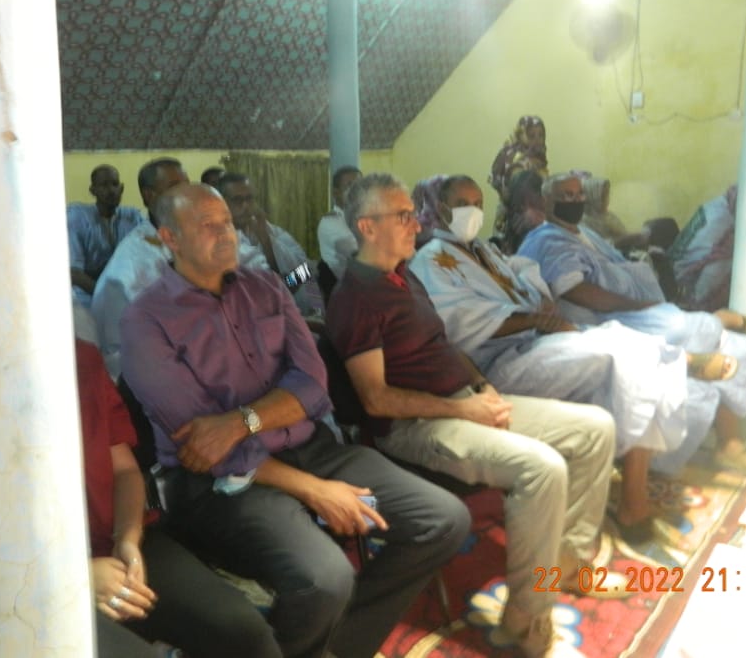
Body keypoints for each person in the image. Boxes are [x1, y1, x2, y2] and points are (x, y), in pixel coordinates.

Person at [120, 183, 470, 658]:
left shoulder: (266, 287)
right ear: (170, 238)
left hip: (311, 450)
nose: (226, 233)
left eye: (228, 222)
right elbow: (203, 446)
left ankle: (335, 647)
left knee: (443, 519)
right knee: (325, 579)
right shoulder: (145, 320)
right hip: (219, 486)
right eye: (207, 225)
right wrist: (313, 489)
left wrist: (241, 421)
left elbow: (312, 385)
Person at [326, 172, 626, 658]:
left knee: (595, 428)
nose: (416, 224)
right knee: (542, 468)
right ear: (367, 227)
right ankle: (525, 619)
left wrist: (483, 388)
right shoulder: (356, 298)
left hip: (463, 401)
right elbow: (377, 400)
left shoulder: (404, 276)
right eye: (402, 216)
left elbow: (444, 346)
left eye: (413, 214)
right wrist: (463, 408)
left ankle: (568, 565)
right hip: (416, 426)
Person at [0, 335, 280, 657]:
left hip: (103, 544)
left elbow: (124, 471)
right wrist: (72, 579)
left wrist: (127, 539)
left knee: (245, 634)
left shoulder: (76, 359)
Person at [409, 174, 727, 526]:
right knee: (622, 355)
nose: (472, 211)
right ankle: (636, 495)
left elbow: (524, 277)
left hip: (537, 343)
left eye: (478, 204)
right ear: (441, 209)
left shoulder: (484, 251)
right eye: (462, 204)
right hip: (498, 360)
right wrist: (533, 319)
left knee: (627, 346)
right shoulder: (431, 260)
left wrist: (540, 300)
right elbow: (457, 321)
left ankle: (633, 487)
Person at [520, 172, 746, 471]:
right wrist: (635, 305)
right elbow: (574, 290)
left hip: (632, 310)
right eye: (566, 196)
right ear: (546, 201)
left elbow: (613, 256)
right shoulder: (546, 239)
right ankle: (716, 324)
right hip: (607, 320)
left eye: (579, 194)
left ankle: (729, 445)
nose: (576, 200)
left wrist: (638, 251)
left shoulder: (583, 232)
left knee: (737, 347)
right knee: (688, 328)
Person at [91, 157, 189, 379]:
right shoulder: (134, 260)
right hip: (143, 370)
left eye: (188, 187)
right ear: (149, 196)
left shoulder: (186, 236)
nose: (187, 195)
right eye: (176, 188)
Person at [216, 171, 323, 316]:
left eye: (249, 198)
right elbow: (272, 289)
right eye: (237, 200)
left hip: (297, 310)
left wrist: (265, 239)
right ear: (222, 203)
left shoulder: (268, 228)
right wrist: (292, 281)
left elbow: (305, 266)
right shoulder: (221, 241)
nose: (246, 206)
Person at [66, 164, 143, 307]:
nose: (111, 191)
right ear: (92, 190)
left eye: (115, 184)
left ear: (122, 188)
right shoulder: (78, 217)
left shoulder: (132, 217)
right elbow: (74, 273)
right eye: (104, 185)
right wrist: (106, 296)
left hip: (125, 294)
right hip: (86, 299)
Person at [666, 185, 738, 312]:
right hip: (681, 286)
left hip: (672, 270)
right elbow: (715, 262)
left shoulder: (718, 204)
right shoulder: (723, 222)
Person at [317, 166, 361, 280]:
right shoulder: (330, 222)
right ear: (336, 193)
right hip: (340, 284)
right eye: (349, 186)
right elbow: (360, 256)